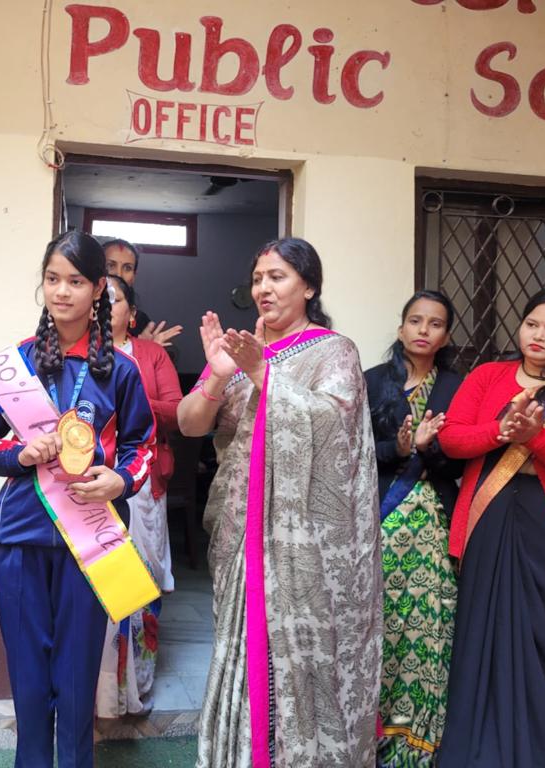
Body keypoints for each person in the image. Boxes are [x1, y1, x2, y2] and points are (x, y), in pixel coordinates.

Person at [177, 237, 381, 767]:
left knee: (298, 657)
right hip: (240, 530)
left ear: (309, 286)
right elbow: (190, 424)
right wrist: (219, 372)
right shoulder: (239, 348)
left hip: (304, 545)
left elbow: (335, 427)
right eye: (258, 278)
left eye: (277, 277)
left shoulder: (333, 351)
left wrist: (261, 373)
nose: (263, 288)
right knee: (242, 649)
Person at [0, 230, 156, 768]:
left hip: (91, 542)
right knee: (28, 678)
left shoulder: (121, 370)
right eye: (52, 279)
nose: (62, 291)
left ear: (98, 290)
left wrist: (120, 481)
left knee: (76, 678)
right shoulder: (14, 365)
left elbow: (142, 447)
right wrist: (19, 453)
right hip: (20, 536)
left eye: (75, 281)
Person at [437, 287, 545, 767]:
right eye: (532, 324)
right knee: (481, 629)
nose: (538, 336)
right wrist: (501, 431)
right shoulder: (488, 375)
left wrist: (536, 438)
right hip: (490, 519)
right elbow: (452, 439)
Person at [365, 290, 463, 766]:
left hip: (435, 527)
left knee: (428, 628)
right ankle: (367, 735)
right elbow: (350, 453)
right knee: (377, 623)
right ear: (401, 327)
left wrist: (427, 449)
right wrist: (399, 449)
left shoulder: (458, 388)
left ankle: (415, 744)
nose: (424, 330)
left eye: (435, 323)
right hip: (377, 523)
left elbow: (461, 461)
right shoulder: (370, 381)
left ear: (446, 335)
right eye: (416, 321)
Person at [95, 274, 183, 718]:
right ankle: (97, 696)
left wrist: (132, 397)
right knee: (97, 585)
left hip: (143, 485)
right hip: (89, 488)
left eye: (115, 299)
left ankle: (137, 690)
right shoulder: (74, 355)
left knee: (141, 581)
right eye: (101, 297)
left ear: (130, 313)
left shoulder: (150, 355)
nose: (105, 305)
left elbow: (177, 410)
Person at [103, 238, 182, 347]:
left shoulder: (140, 322)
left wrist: (147, 351)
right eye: (110, 265)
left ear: (134, 277)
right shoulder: (83, 308)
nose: (119, 274)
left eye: (127, 268)